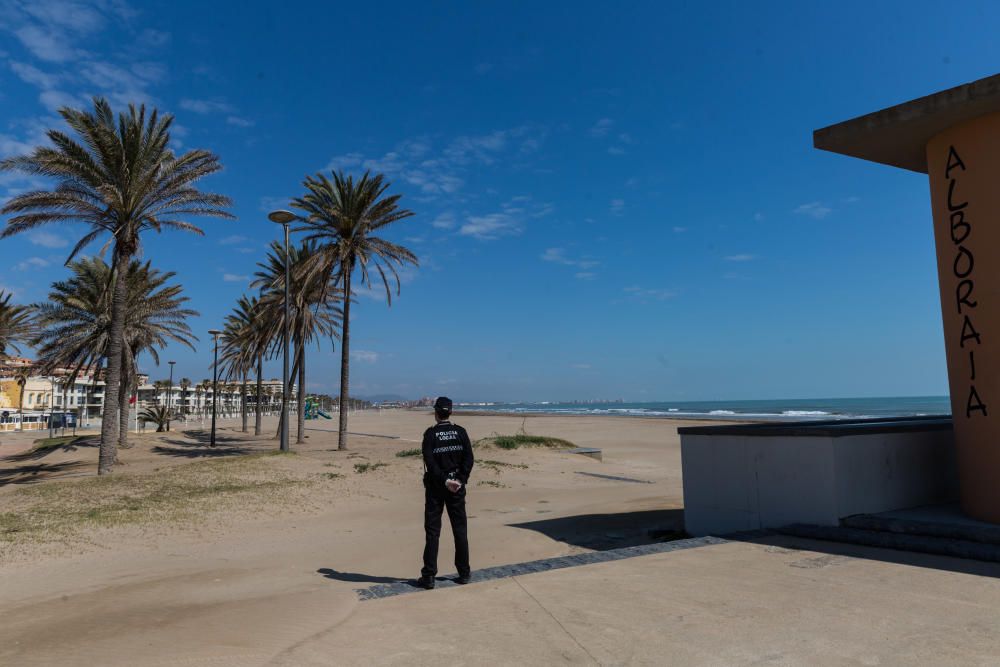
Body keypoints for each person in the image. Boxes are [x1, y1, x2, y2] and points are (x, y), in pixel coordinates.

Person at [417, 396, 474, 589]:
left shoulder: (431, 434)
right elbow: (469, 459)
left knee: (433, 532)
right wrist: (459, 479)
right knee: (460, 530)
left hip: (437, 488)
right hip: (454, 487)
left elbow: (430, 463)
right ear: (450, 411)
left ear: (436, 413)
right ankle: (464, 572)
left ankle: (429, 575)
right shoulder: (460, 432)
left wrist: (449, 480)